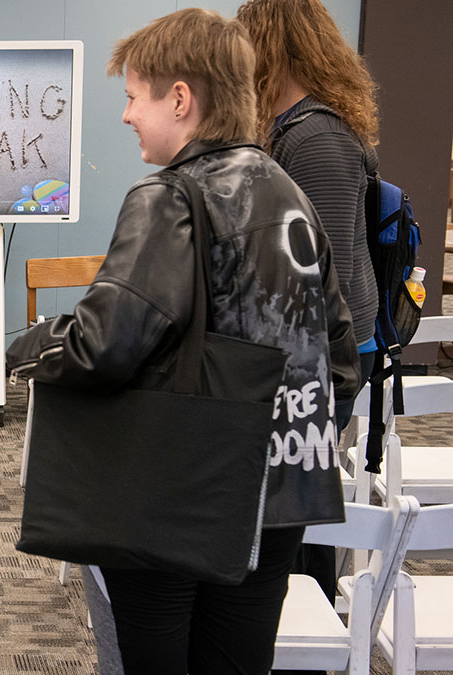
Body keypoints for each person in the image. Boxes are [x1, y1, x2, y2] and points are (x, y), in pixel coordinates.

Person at [5, 9, 359, 675]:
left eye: (134, 96)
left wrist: (26, 347)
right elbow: (339, 351)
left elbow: (106, 342)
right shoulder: (288, 190)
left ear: (180, 98)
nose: (126, 116)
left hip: (179, 492)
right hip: (280, 488)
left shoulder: (170, 196)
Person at [237, 0, 381, 621]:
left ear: (272, 49)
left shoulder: (316, 138)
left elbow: (319, 283)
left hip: (325, 364)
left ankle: (309, 634)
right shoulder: (294, 130)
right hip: (311, 362)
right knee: (295, 505)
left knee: (299, 509)